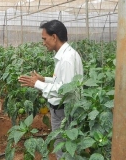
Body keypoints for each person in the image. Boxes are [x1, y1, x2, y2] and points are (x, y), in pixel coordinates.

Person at [18, 20, 83, 159]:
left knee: (63, 149)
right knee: (64, 146)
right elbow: (64, 82)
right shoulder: (68, 55)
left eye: (44, 38)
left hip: (63, 111)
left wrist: (37, 84)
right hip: (63, 110)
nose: (43, 42)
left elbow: (65, 90)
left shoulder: (66, 59)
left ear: (54, 37)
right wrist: (44, 79)